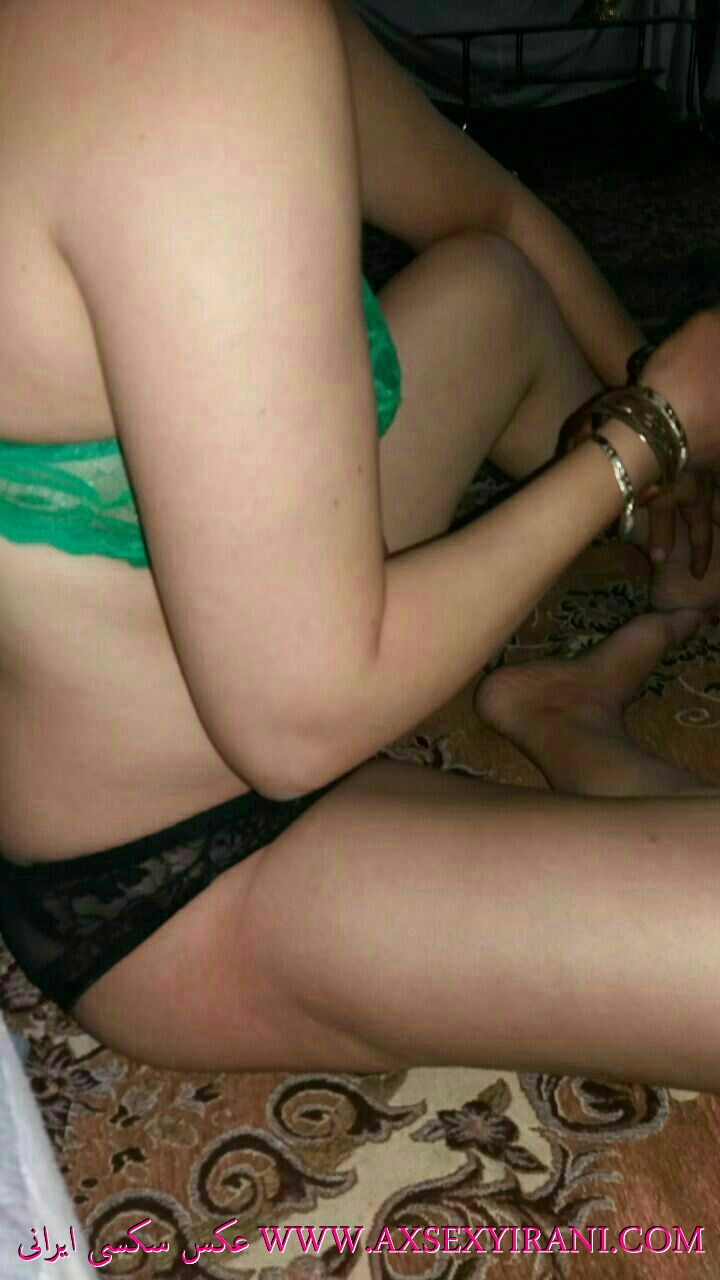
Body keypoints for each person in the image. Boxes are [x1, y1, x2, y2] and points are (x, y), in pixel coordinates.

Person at [0, 0, 719, 1091]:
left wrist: (669, 448)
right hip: (170, 864)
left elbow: (494, 210)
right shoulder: (198, 38)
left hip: (249, 652)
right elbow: (299, 722)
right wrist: (646, 434)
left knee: (495, 289)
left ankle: (575, 688)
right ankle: (580, 734)